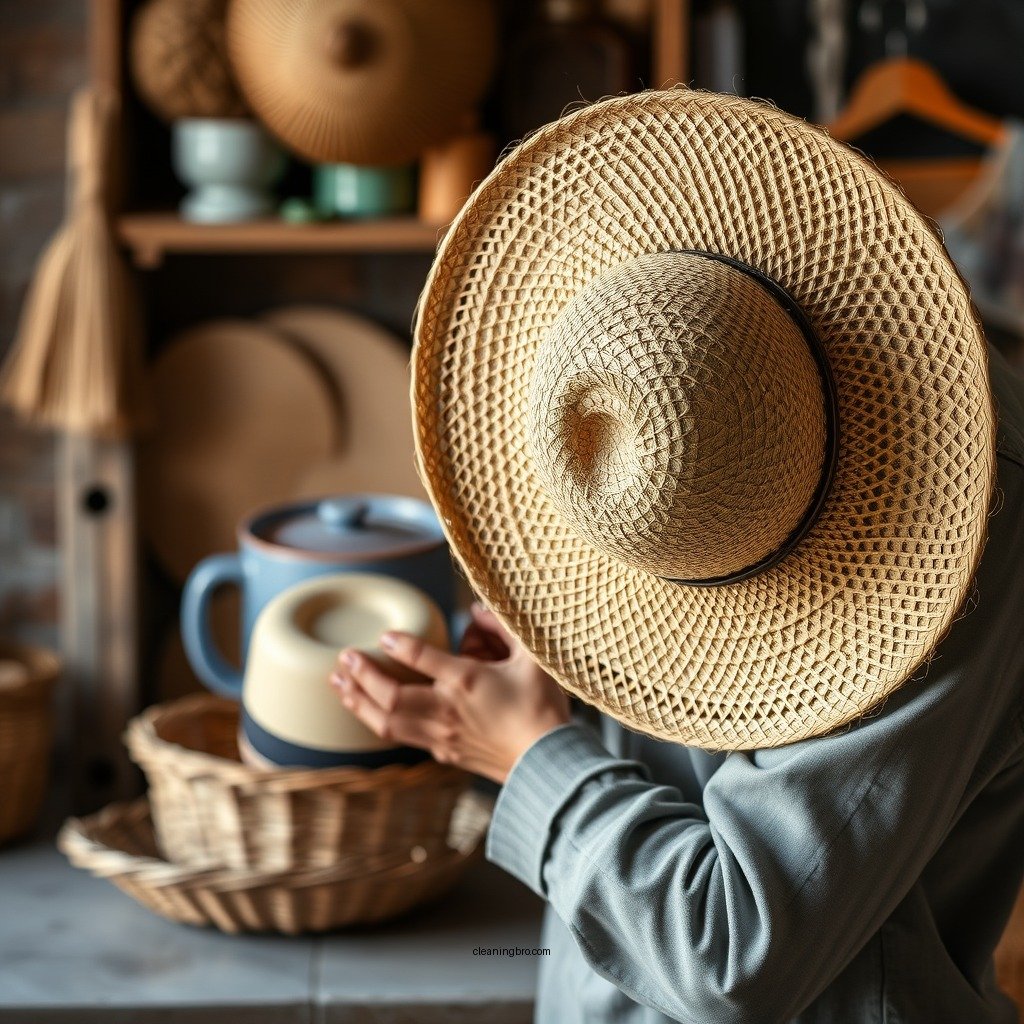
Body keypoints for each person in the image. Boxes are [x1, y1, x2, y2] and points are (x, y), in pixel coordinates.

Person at [331, 89, 1024, 1023]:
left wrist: (526, 752)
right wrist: (569, 668)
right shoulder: (625, 341)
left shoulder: (971, 518)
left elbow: (733, 955)